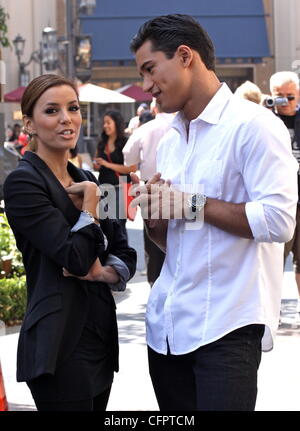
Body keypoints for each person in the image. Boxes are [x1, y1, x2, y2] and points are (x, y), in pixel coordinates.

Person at [129, 14, 298, 411]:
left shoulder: (254, 126)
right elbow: (173, 243)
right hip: (166, 329)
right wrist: (156, 217)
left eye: (151, 70)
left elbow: (278, 221)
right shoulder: (171, 138)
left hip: (227, 328)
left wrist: (188, 203)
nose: (147, 86)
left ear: (185, 56)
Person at [3, 74, 137, 411]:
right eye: (52, 110)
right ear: (30, 124)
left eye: (73, 108)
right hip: (58, 342)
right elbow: (75, 258)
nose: (67, 118)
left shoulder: (87, 178)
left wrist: (105, 274)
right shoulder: (23, 182)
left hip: (100, 337)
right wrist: (90, 207)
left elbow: (124, 250)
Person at [123, 99, 173, 286]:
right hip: (180, 187)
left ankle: (155, 282)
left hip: (151, 186)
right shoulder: (186, 127)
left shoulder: (145, 129)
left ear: (153, 108)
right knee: (185, 235)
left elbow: (128, 157)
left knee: (152, 241)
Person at [270, 71, 300, 314]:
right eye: (280, 96)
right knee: (273, 261)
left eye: (290, 96)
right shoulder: (264, 121)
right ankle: (271, 310)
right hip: (277, 201)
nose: (286, 102)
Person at [93, 110, 137, 233]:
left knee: (119, 226)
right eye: (104, 123)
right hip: (103, 188)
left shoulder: (125, 142)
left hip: (120, 188)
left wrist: (107, 164)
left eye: (108, 122)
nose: (105, 125)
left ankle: (122, 252)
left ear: (116, 123)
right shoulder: (102, 143)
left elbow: (132, 168)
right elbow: (97, 164)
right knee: (105, 225)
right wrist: (97, 165)